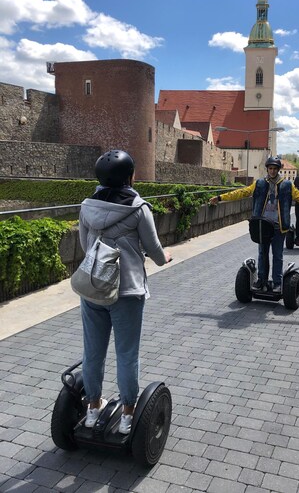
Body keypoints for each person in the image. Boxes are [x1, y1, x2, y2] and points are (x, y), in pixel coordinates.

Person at [78, 150, 172, 434]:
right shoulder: (138, 207)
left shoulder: (87, 206)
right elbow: (153, 247)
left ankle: (92, 409)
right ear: (129, 176)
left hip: (93, 287)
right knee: (127, 354)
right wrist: (163, 258)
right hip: (127, 292)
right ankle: (128, 415)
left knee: (92, 352)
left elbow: (85, 247)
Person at [209, 157, 299, 292]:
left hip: (278, 226)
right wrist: (220, 198)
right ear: (267, 169)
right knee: (262, 254)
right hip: (262, 225)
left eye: (275, 169)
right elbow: (241, 192)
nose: (272, 171)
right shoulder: (259, 183)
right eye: (270, 168)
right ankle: (261, 280)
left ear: (278, 170)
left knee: (277, 255)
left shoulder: (287, 185)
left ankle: (277, 282)